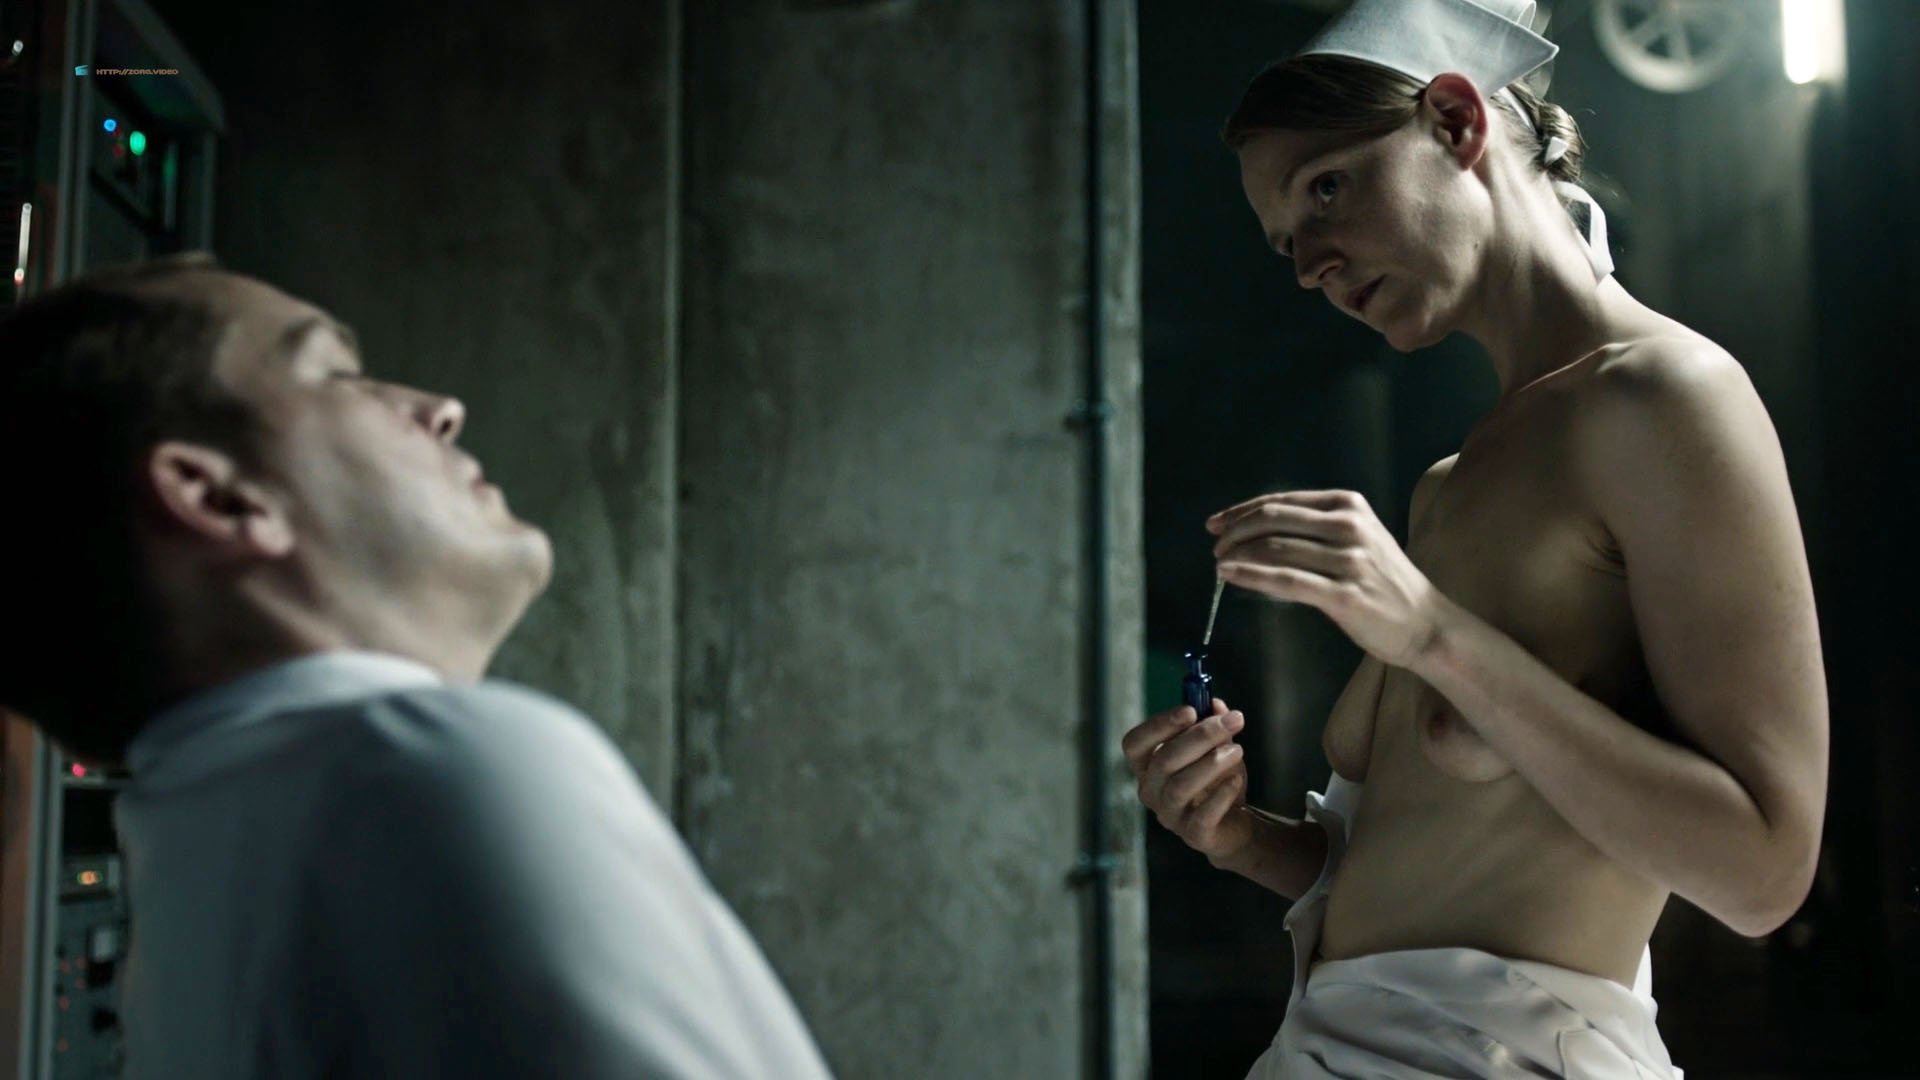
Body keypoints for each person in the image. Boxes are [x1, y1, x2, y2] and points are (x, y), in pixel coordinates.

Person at [1121, 0, 1828, 1076]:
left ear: (1456, 122)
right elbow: (1432, 878)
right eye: (1286, 240)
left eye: (1326, 188)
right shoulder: (1449, 487)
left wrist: (1433, 635)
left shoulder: (1667, 397)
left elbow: (1764, 876)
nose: (1310, 263)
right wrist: (1240, 838)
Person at [0, 252, 835, 1079]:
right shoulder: (427, 768)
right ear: (218, 498)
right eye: (337, 376)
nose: (440, 410)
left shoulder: (198, 869)